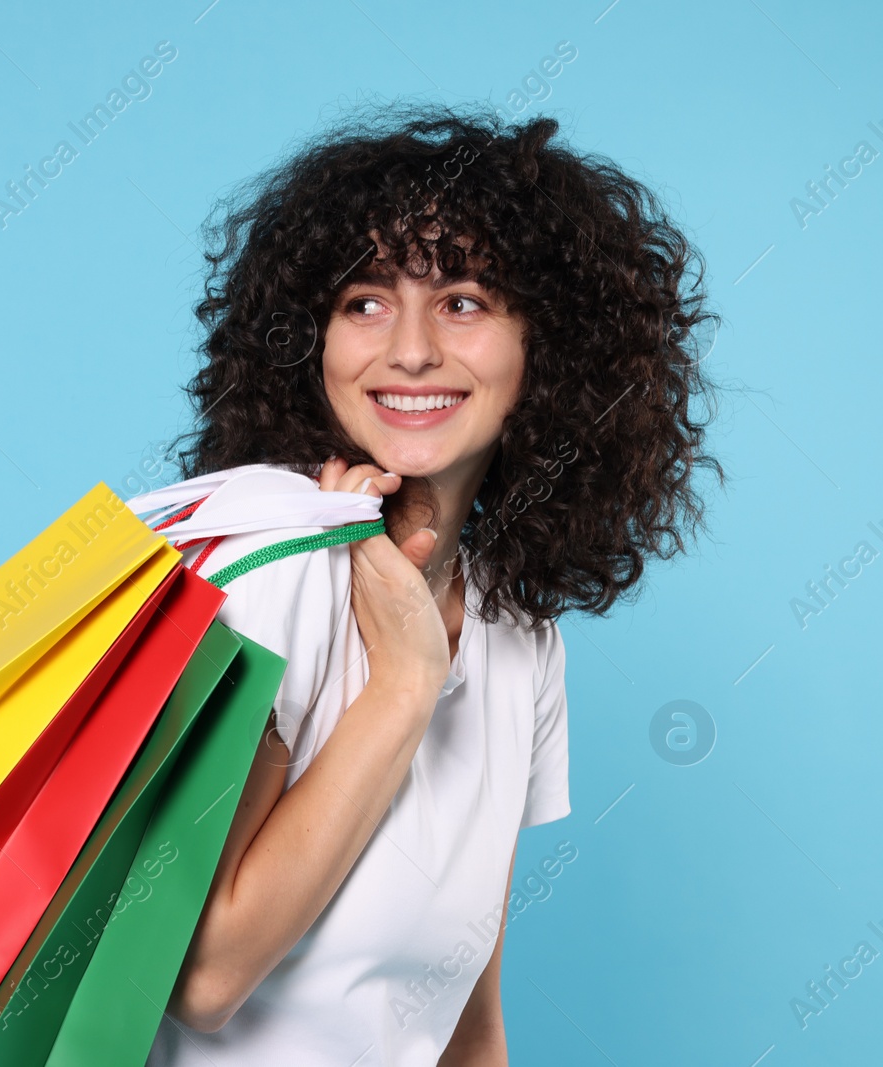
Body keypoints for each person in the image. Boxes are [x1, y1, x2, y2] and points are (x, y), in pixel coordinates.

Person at [144, 102, 724, 1066]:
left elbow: (462, 1017)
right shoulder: (273, 570)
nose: (409, 351)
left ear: (550, 344)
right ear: (308, 341)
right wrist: (407, 682)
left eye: (463, 300)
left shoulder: (517, 632)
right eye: (364, 302)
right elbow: (204, 978)